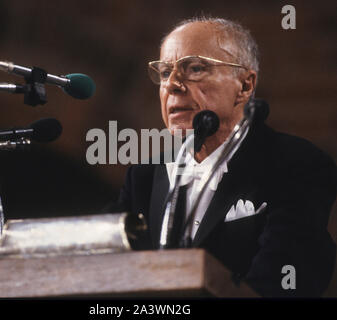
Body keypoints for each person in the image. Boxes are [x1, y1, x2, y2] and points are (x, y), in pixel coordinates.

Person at [110, 16, 337, 297]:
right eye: (166, 72)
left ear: (244, 85)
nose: (172, 85)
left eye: (194, 68)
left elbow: (283, 281)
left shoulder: (296, 164)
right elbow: (109, 272)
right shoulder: (143, 177)